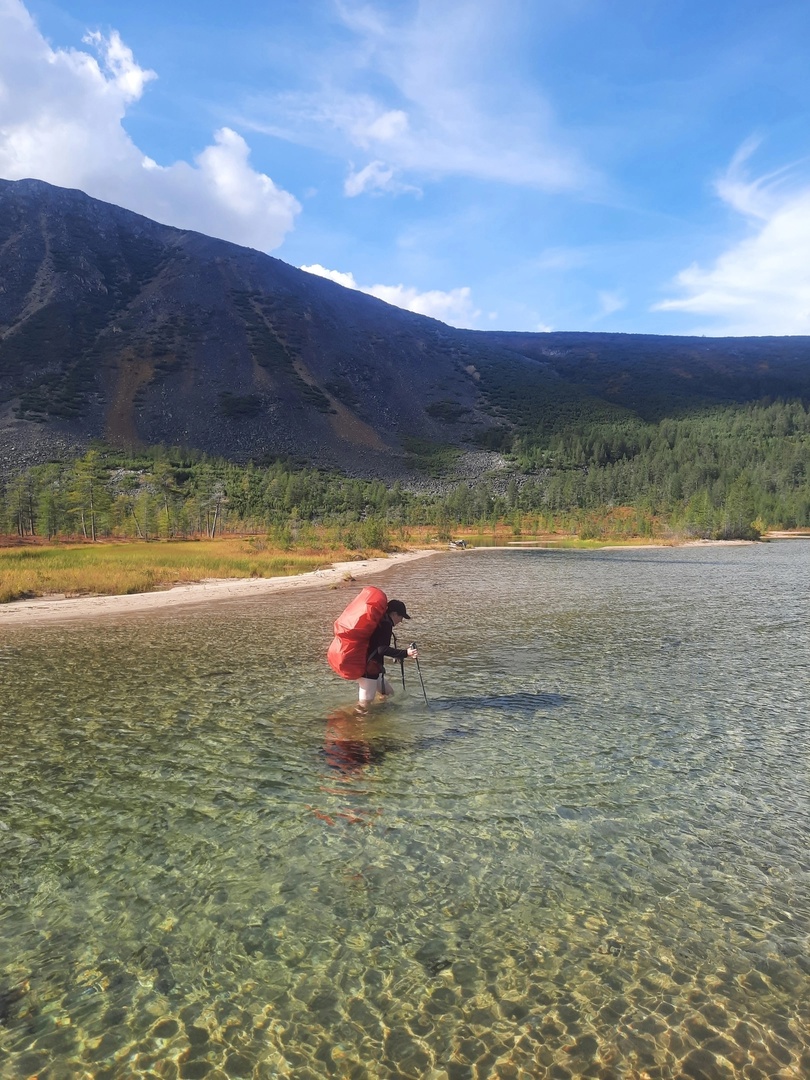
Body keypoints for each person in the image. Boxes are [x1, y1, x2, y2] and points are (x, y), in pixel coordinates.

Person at [357, 599, 418, 708]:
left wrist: (398, 654)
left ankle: (381, 714)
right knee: (364, 706)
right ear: (394, 614)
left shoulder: (382, 621)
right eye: (401, 617)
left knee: (388, 694)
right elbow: (382, 649)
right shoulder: (386, 624)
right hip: (369, 669)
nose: (401, 621)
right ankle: (348, 720)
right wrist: (405, 653)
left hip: (374, 667)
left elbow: (378, 646)